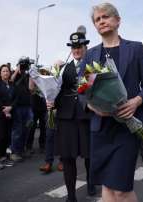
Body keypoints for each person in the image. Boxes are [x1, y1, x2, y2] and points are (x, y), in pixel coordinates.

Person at [79, 3, 143, 201]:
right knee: (107, 185)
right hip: (101, 127)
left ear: (117, 20)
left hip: (127, 127)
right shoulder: (91, 55)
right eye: (97, 19)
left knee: (121, 189)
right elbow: (82, 91)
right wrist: (94, 107)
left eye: (106, 16)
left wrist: (136, 101)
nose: (102, 21)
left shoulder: (135, 48)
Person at [47, 31, 94, 202]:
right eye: (73, 47)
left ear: (84, 47)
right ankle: (71, 196)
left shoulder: (93, 66)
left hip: (86, 116)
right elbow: (55, 90)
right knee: (67, 158)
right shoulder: (62, 68)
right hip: (65, 118)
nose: (76, 50)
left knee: (89, 156)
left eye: (79, 46)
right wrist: (51, 101)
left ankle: (90, 183)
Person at [0, 64, 15, 170]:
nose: (6, 73)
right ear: (0, 73)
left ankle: (3, 158)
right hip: (0, 114)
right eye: (3, 71)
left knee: (7, 137)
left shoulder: (11, 84)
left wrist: (11, 107)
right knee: (1, 136)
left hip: (10, 113)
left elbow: (16, 98)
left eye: (7, 71)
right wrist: (5, 110)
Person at [10, 61, 33, 162]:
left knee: (26, 129)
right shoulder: (13, 74)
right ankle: (14, 152)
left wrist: (31, 73)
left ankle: (22, 149)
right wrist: (17, 69)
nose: (23, 68)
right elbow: (10, 81)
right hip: (17, 107)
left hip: (27, 106)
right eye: (21, 66)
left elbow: (31, 88)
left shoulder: (27, 75)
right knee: (17, 130)